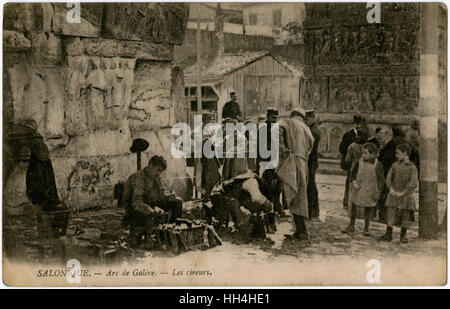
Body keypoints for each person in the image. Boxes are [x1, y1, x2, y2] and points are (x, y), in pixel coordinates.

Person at [123, 155, 183, 248]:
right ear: (150, 165)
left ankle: (171, 232)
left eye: (160, 171)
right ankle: (149, 238)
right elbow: (136, 202)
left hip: (149, 203)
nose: (159, 173)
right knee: (152, 214)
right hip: (134, 207)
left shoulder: (155, 177)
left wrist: (169, 197)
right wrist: (151, 210)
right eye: (157, 170)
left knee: (177, 202)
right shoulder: (139, 178)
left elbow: (161, 195)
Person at [277, 107, 314, 241]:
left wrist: (283, 150)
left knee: (293, 195)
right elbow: (311, 144)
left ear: (293, 114)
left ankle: (302, 231)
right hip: (302, 162)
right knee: (300, 196)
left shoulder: (288, 122)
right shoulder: (305, 127)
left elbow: (278, 131)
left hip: (292, 161)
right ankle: (300, 230)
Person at [379, 143, 418, 243]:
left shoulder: (412, 167)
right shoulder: (394, 165)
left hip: (405, 195)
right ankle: (388, 234)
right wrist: (391, 188)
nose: (396, 155)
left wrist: (404, 192)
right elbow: (388, 178)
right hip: (394, 193)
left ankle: (403, 235)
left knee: (405, 214)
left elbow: (413, 183)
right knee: (391, 212)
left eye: (398, 153)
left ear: (405, 153)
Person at [342, 142, 384, 236]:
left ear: (373, 154)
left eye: (365, 153)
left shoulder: (378, 165)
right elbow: (352, 174)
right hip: (358, 188)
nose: (363, 155)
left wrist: (379, 191)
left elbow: (381, 180)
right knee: (353, 205)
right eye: (363, 153)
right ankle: (351, 225)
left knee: (368, 208)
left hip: (370, 189)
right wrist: (353, 182)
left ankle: (366, 228)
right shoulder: (359, 162)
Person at [258, 108, 283, 216]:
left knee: (277, 186)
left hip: (276, 160)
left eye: (276, 118)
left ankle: (277, 208)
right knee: (268, 186)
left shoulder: (276, 128)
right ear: (268, 117)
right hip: (267, 160)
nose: (274, 120)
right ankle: (269, 208)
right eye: (273, 118)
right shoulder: (263, 129)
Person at [339, 114, 363, 209]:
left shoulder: (364, 134)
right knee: (350, 181)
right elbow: (342, 149)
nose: (358, 126)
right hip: (351, 163)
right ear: (353, 124)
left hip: (361, 164)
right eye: (356, 124)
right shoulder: (348, 135)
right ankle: (347, 202)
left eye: (359, 123)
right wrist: (345, 163)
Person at [377, 127, 399, 222]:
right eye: (380, 133)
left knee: (385, 195)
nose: (381, 136)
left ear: (388, 135)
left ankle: (384, 217)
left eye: (383, 134)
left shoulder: (390, 145)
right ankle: (383, 216)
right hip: (385, 174)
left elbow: (386, 161)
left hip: (387, 174)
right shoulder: (386, 145)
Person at [305, 109, 321, 220]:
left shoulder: (313, 131)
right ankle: (314, 211)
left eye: (307, 119)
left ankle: (311, 211)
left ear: (312, 118)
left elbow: (309, 148)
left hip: (310, 161)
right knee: (311, 186)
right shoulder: (312, 129)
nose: (305, 121)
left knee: (310, 186)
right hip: (312, 161)